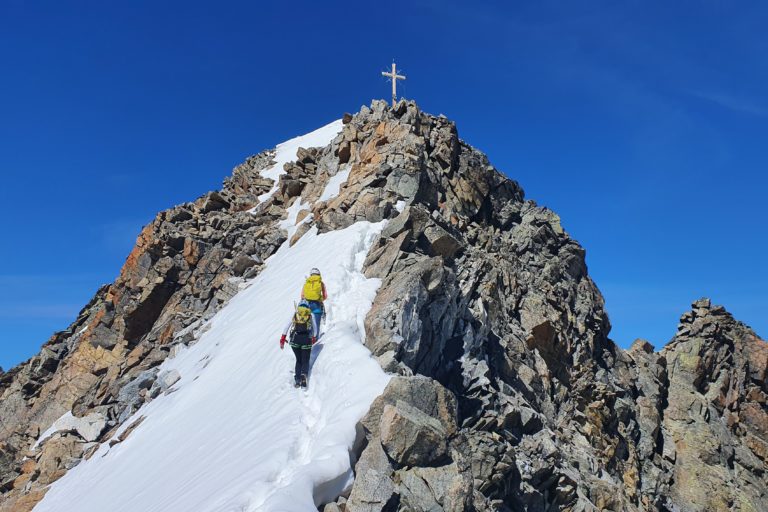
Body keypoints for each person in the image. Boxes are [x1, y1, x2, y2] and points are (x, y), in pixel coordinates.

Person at [279, 300, 319, 388]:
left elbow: (286, 327)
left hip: (295, 340)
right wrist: (313, 338)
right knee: (305, 360)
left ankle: (297, 379)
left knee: (298, 359)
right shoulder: (310, 314)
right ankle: (304, 375)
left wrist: (282, 339)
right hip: (306, 340)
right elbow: (315, 330)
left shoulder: (295, 313)